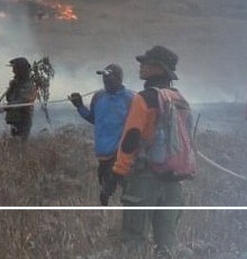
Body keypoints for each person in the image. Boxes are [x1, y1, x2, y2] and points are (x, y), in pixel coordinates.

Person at [100, 45, 188, 259]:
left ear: (158, 68)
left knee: (133, 240)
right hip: (174, 181)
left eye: (146, 63)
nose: (141, 66)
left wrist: (114, 177)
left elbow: (130, 140)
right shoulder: (179, 99)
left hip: (144, 180)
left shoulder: (143, 99)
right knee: (166, 243)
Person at [69, 63, 135, 189]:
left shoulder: (130, 99)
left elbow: (137, 126)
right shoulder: (98, 97)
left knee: (121, 192)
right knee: (104, 190)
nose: (105, 80)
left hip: (121, 155)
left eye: (109, 77)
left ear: (118, 78)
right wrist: (80, 107)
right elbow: (95, 119)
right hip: (103, 154)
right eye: (104, 77)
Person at [0, 57, 38, 141]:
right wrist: (11, 87)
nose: (13, 71)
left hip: (23, 120)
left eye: (15, 69)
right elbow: (10, 98)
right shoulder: (15, 84)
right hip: (14, 119)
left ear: (20, 70)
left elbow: (21, 102)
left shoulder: (28, 85)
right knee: (13, 146)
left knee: (20, 147)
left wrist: (4, 108)